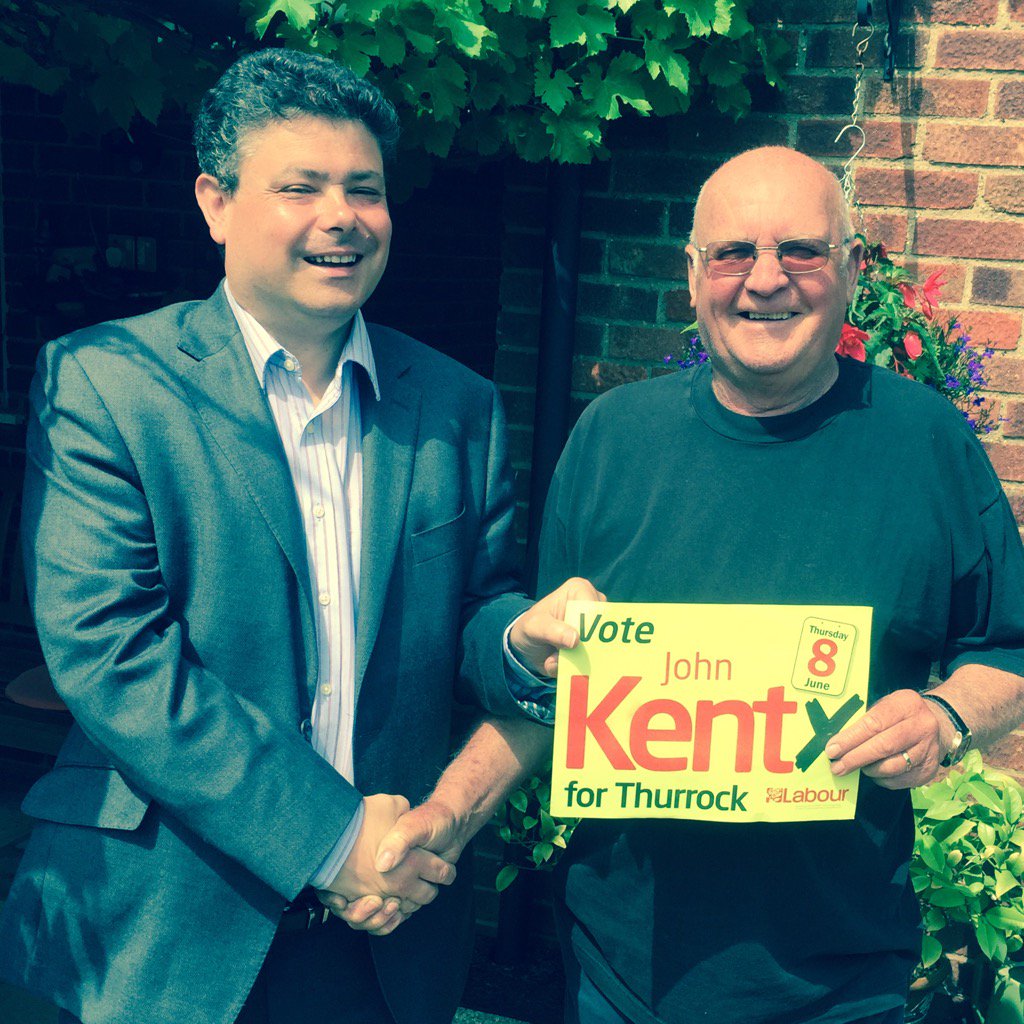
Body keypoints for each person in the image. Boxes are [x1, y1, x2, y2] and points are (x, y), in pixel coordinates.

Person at [0, 48, 591, 1024]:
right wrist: (330, 836)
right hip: (160, 927)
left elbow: (471, 611)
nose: (341, 216)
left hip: (381, 936)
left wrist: (519, 644)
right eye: (300, 187)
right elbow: (110, 653)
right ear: (216, 203)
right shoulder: (105, 382)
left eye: (365, 188)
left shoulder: (458, 405)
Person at [523, 147, 1024, 1023]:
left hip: (842, 982)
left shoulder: (927, 442)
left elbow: (1007, 650)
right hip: (620, 975)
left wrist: (945, 718)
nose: (765, 280)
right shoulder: (610, 439)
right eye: (732, 253)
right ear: (692, 277)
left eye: (801, 250)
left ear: (852, 269)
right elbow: (545, 660)